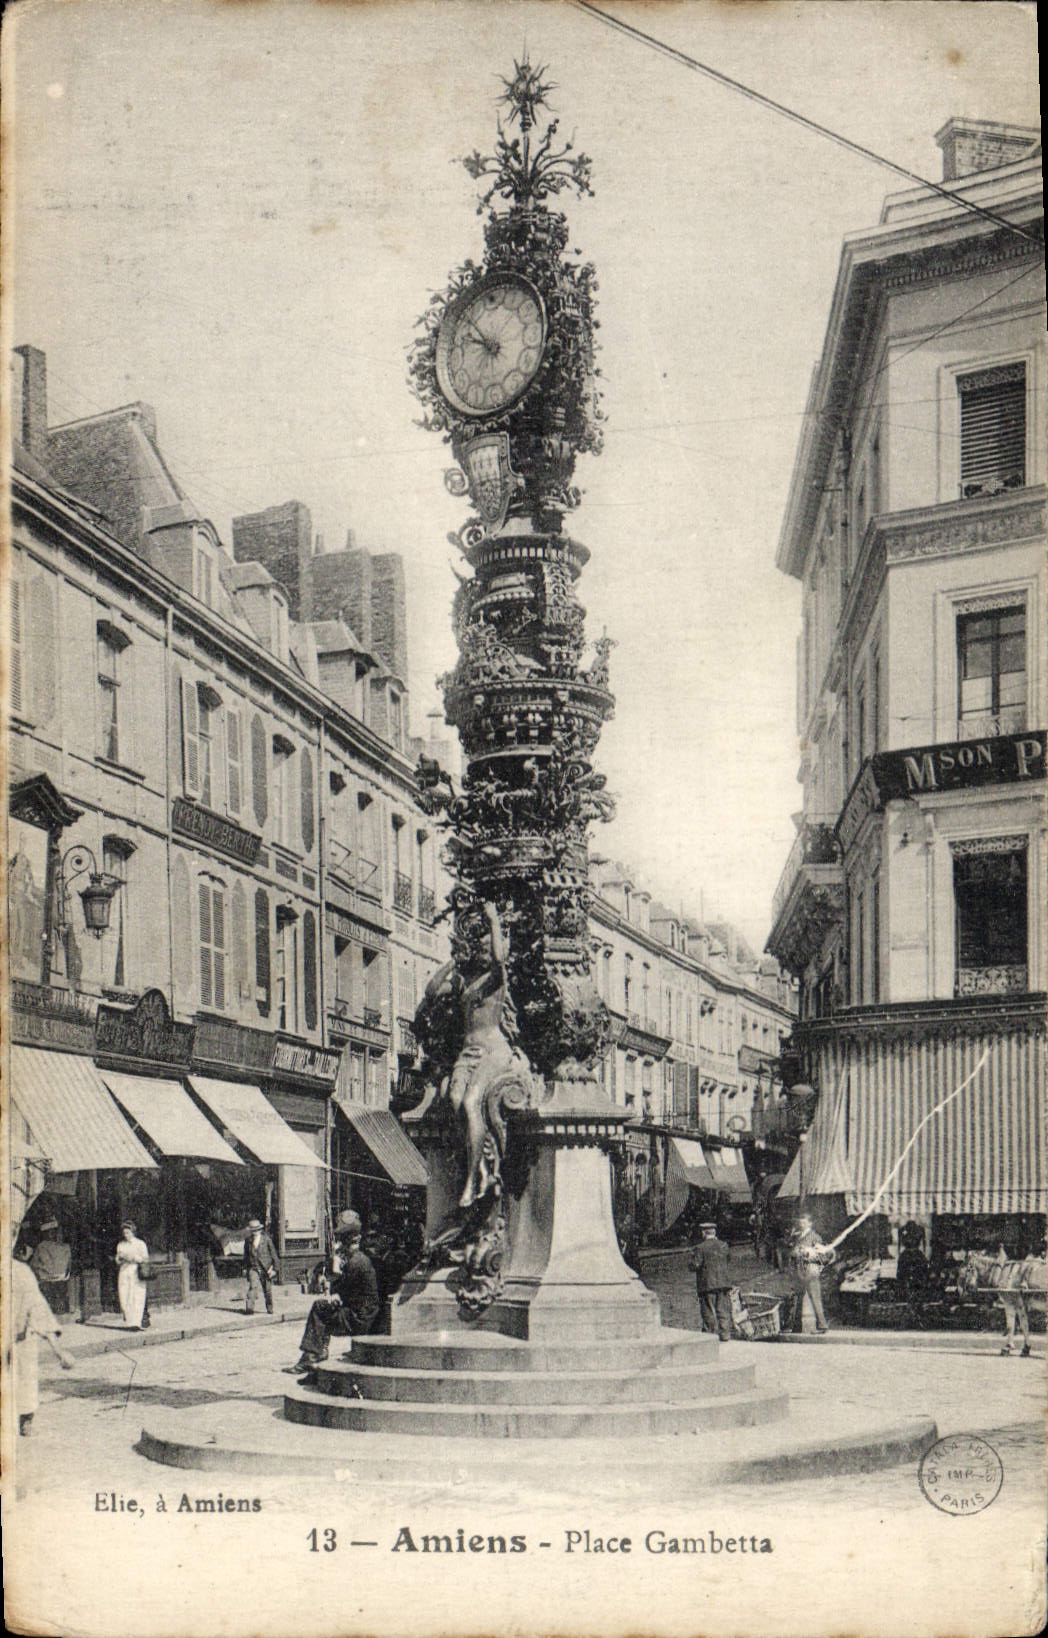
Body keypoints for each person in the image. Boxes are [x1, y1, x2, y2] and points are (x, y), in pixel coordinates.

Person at [292, 1211, 379, 1372]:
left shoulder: (357, 1262)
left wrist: (336, 1269)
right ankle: (318, 1352)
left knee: (320, 1308)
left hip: (359, 1317)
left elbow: (342, 1292)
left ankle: (313, 1355)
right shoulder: (359, 1259)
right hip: (362, 1312)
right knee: (324, 1307)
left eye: (343, 1244)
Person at [11, 1243, 75, 1435]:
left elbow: (39, 1311)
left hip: (20, 1339)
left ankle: (26, 1419)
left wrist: (59, 1352)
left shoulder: (21, 1272)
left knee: (25, 1380)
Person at [788, 1213, 835, 1334]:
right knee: (798, 1298)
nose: (801, 1224)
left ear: (810, 1223)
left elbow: (825, 1255)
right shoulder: (797, 1236)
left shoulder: (815, 1237)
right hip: (799, 1270)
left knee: (815, 1297)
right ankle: (796, 1327)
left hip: (810, 1270)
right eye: (800, 1222)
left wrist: (810, 1257)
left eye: (803, 1222)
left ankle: (822, 1325)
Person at [689, 1220, 734, 1341]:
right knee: (723, 1309)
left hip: (707, 1284)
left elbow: (695, 1265)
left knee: (708, 1310)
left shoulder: (700, 1248)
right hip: (723, 1283)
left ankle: (709, 1335)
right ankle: (725, 1334)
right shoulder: (724, 1245)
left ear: (704, 1233)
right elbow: (728, 1259)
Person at [30, 1217, 72, 1314]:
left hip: (46, 1279)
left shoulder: (41, 1246)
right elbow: (69, 1265)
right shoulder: (66, 1247)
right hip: (62, 1278)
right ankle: (60, 1308)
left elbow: (34, 1263)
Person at [115, 1220, 150, 1330]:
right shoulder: (121, 1245)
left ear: (133, 1232)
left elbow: (145, 1259)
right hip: (124, 1271)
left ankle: (136, 1322)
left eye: (128, 1233)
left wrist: (134, 1258)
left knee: (136, 1296)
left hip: (136, 1271)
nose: (126, 1235)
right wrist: (119, 1258)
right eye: (124, 1233)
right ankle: (129, 1321)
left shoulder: (140, 1244)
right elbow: (117, 1259)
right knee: (125, 1295)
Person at [243, 1218, 280, 1315]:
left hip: (266, 1268)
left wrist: (275, 1269)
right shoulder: (248, 1241)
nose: (254, 1232)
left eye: (256, 1230)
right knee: (253, 1287)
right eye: (252, 1230)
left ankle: (269, 1307)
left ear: (259, 1230)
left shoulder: (266, 1239)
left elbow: (274, 1255)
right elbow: (246, 1256)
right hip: (253, 1267)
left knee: (267, 1290)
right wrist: (245, 1268)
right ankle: (249, 1308)